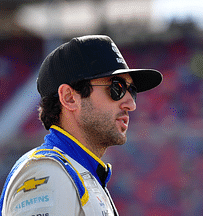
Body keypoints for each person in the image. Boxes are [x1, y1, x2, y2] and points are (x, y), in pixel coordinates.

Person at [0, 35, 163, 215]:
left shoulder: (79, 173)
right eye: (117, 88)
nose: (131, 104)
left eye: (132, 91)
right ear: (69, 98)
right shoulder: (46, 173)